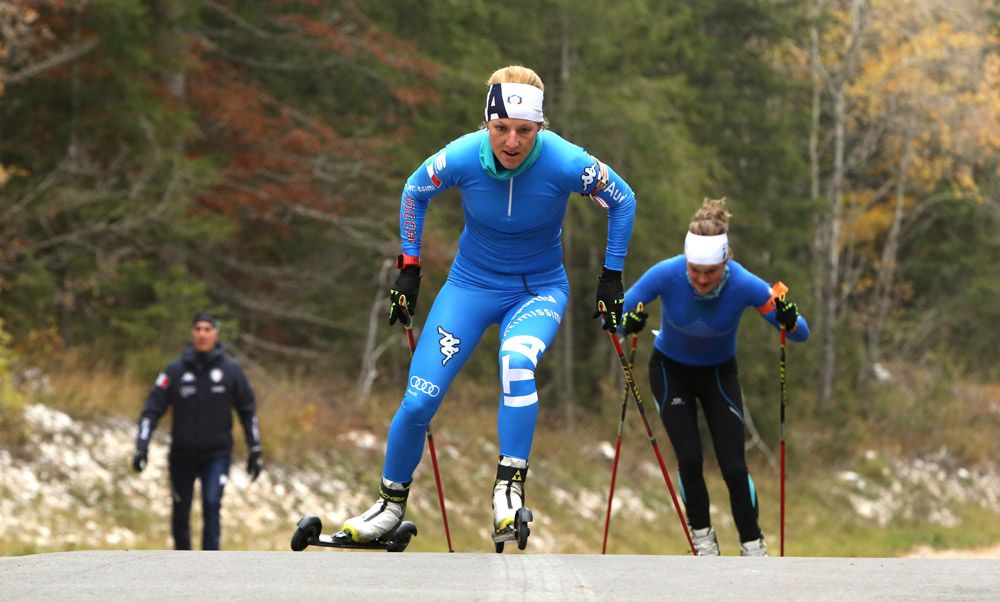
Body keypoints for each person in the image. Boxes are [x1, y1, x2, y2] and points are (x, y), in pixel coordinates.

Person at [341, 65, 636, 546]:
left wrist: (611, 276)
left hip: (537, 290)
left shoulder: (565, 161)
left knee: (516, 361)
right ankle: (389, 506)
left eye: (525, 131)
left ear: (541, 128)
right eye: (501, 129)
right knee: (419, 398)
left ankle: (509, 490)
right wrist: (409, 268)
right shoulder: (463, 155)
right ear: (487, 124)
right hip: (470, 287)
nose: (512, 142)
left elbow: (623, 200)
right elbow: (414, 190)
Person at [619, 197, 808, 556]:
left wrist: (790, 319)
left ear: (725, 262)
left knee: (733, 465)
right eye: (695, 271)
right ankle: (703, 540)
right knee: (689, 458)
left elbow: (801, 334)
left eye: (711, 272)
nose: (702, 280)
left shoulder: (745, 284)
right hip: (670, 370)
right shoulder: (666, 273)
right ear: (686, 263)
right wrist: (626, 325)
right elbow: (612, 319)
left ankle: (752, 543)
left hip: (719, 375)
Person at [131, 310, 263, 550]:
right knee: (181, 511)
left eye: (207, 329)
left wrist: (255, 448)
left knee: (212, 504)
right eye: (197, 329)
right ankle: (183, 566)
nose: (202, 334)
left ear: (216, 334)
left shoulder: (231, 371)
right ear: (192, 333)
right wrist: (142, 446)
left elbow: (247, 410)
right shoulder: (175, 371)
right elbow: (151, 409)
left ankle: (210, 566)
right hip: (182, 454)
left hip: (217, 453)